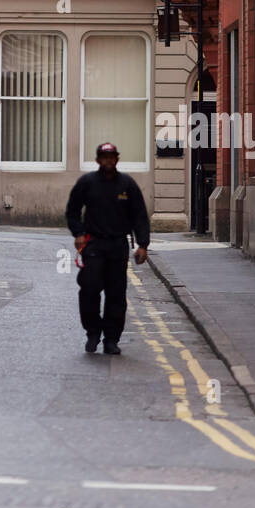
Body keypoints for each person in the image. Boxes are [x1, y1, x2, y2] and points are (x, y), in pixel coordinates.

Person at [65, 141, 150, 356]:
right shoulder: (87, 183)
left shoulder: (127, 185)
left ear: (117, 159)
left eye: (112, 157)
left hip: (118, 245)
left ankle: (111, 339)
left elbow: (139, 215)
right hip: (93, 244)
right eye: (104, 157)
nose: (108, 161)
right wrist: (79, 234)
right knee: (90, 289)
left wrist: (143, 244)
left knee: (116, 295)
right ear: (98, 160)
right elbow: (72, 210)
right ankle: (93, 332)